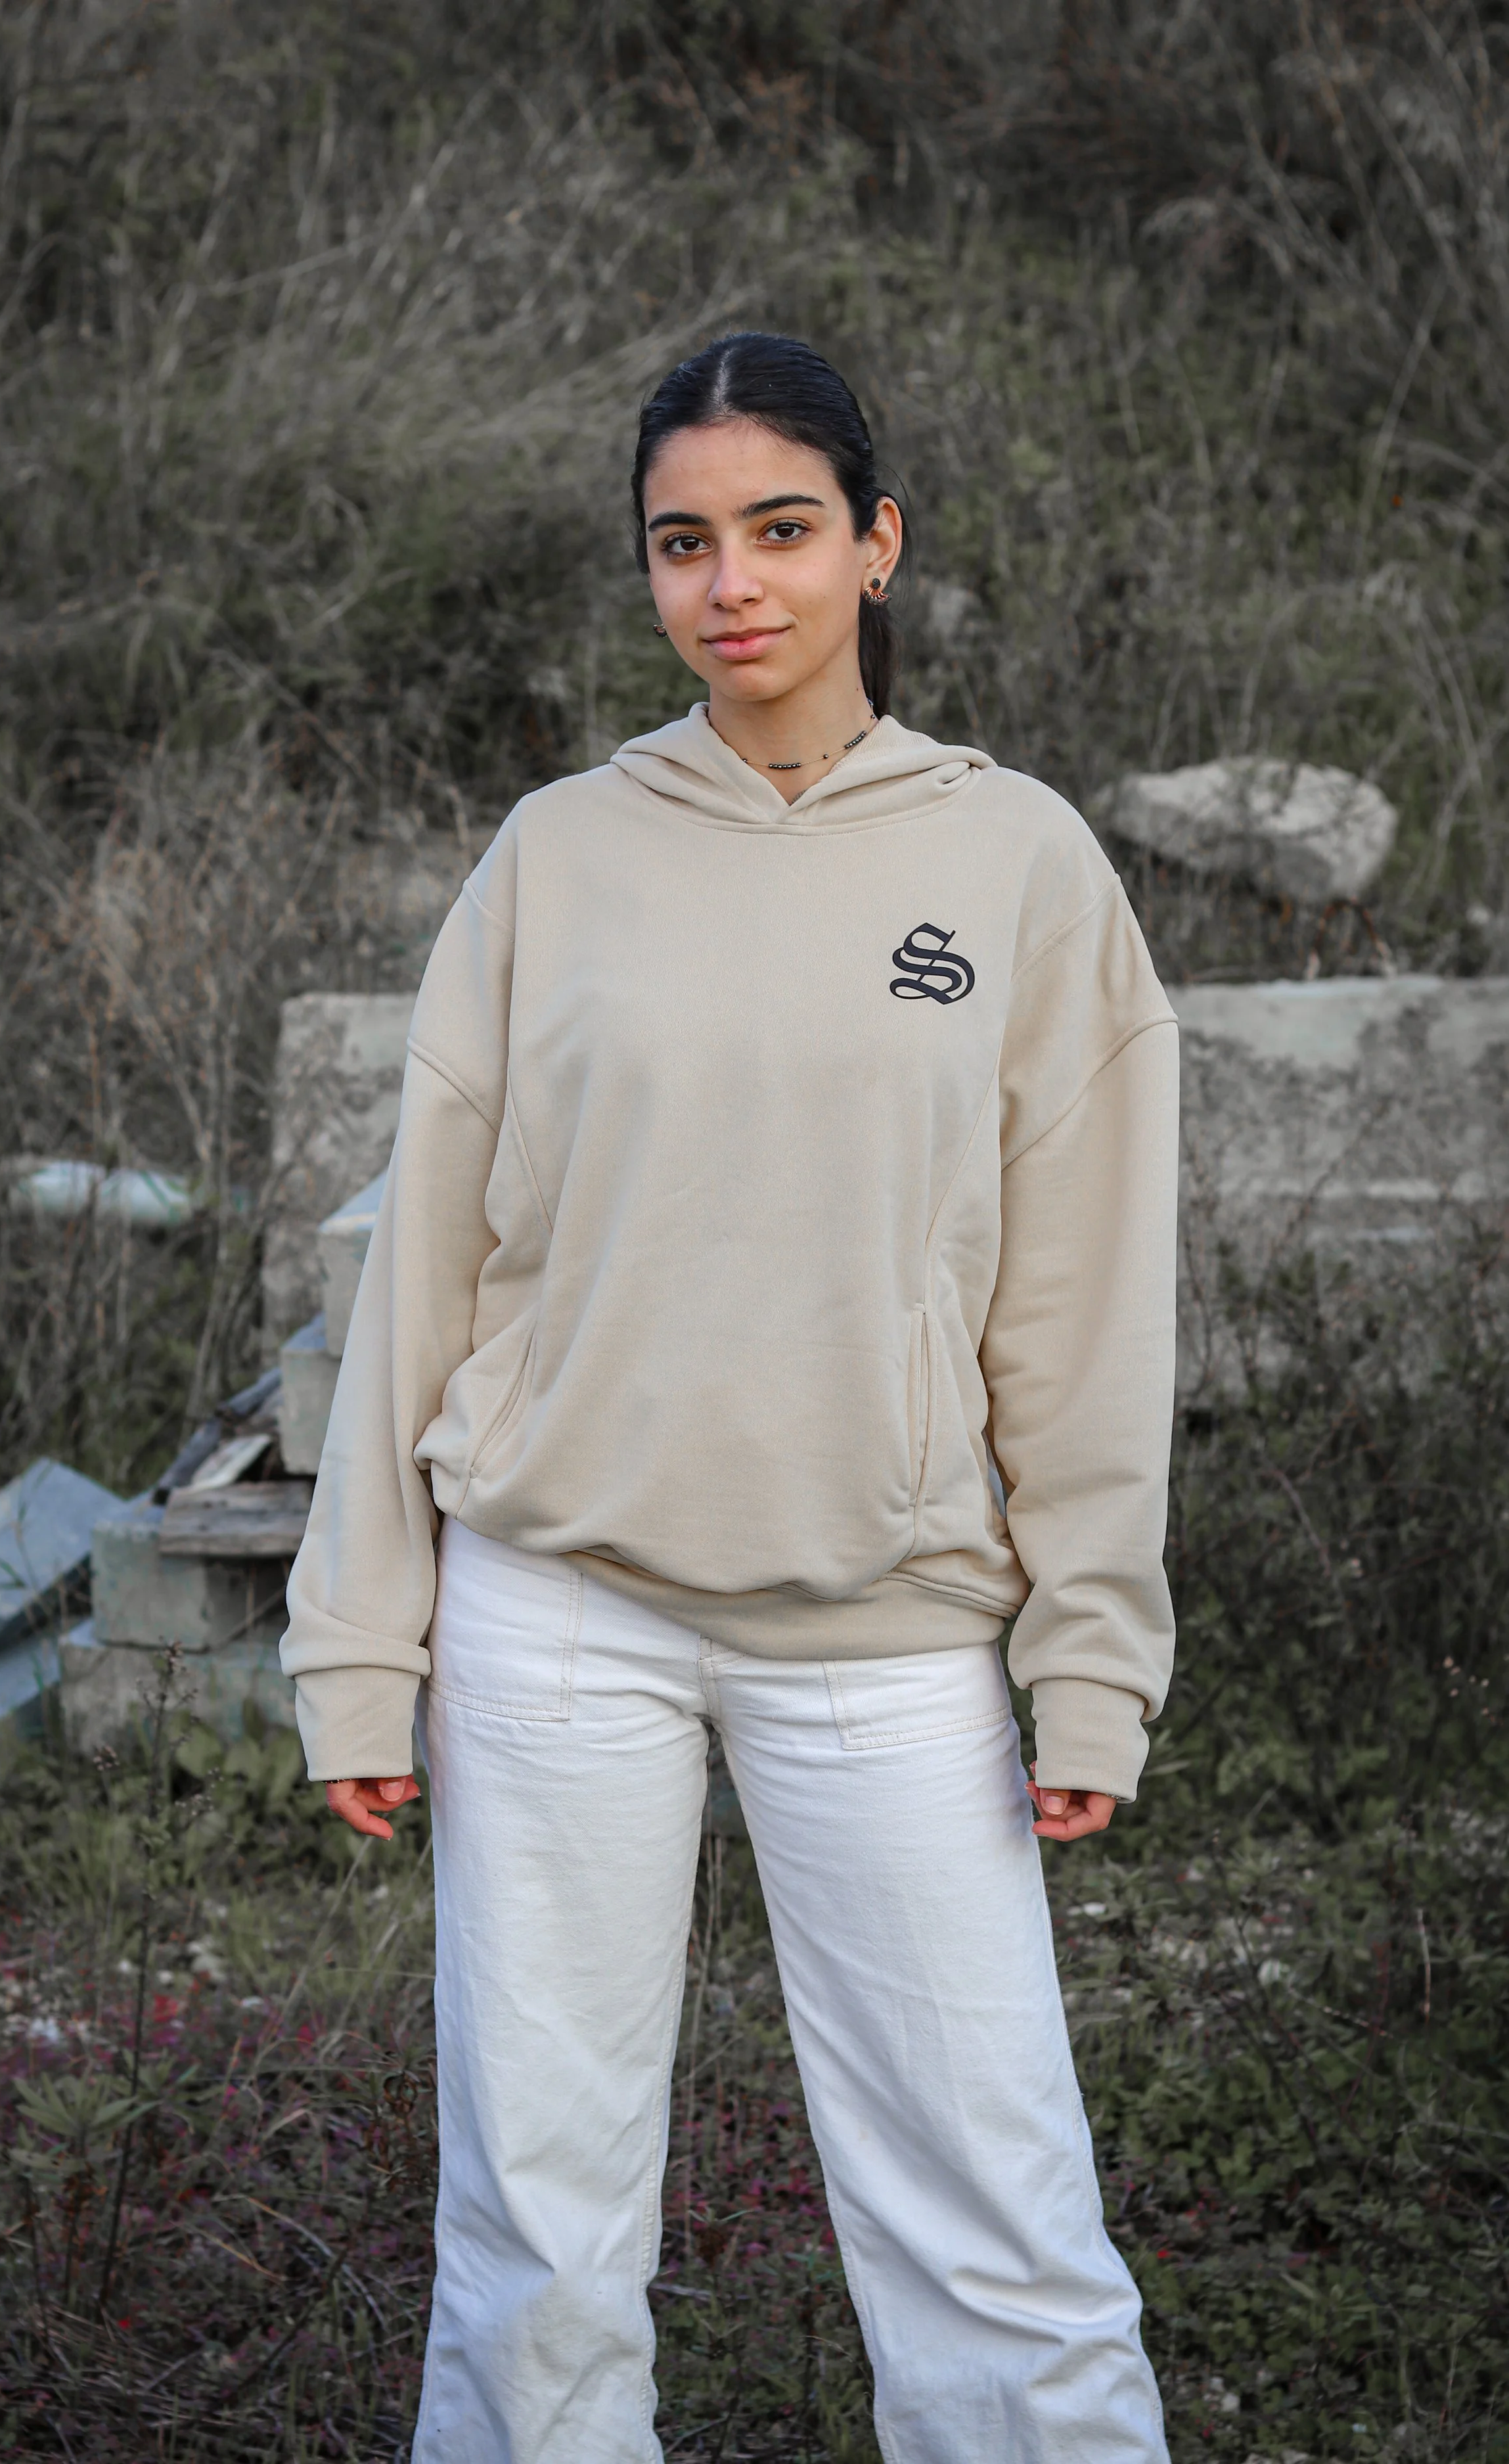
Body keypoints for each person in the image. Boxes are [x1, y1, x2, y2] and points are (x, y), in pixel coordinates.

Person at [281, 330, 1179, 2464]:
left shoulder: (1020, 860)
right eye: (680, 542)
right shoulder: (554, 857)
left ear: (877, 542)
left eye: (779, 529)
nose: (729, 583)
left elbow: (1080, 1305)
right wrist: (356, 1639)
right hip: (554, 1612)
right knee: (535, 2232)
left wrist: (1090, 1653)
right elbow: (425, 1269)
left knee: (995, 2228)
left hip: (887, 1623)